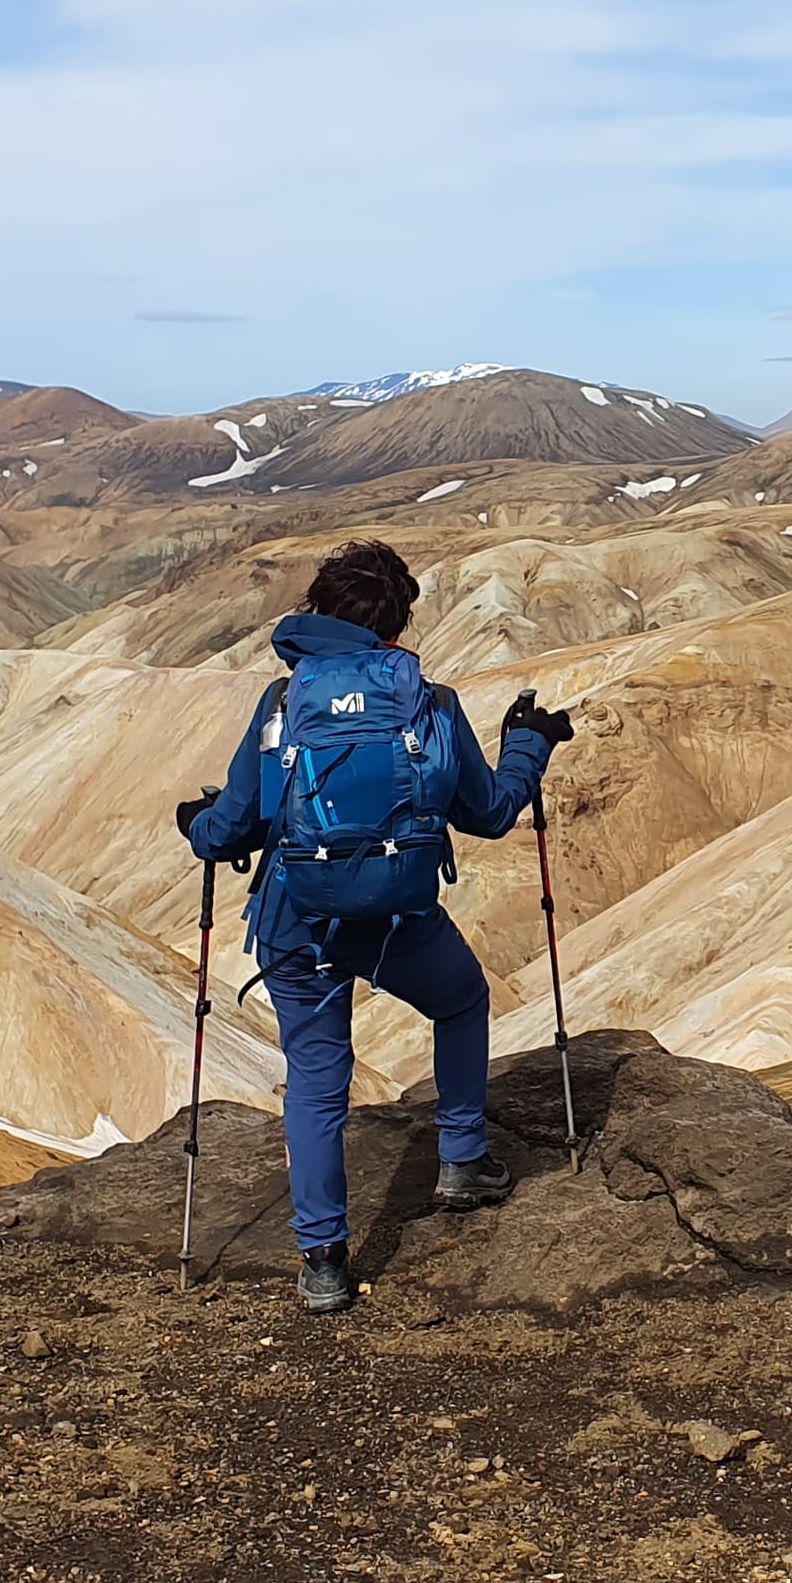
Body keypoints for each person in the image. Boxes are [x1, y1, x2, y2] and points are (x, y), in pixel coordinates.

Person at [177, 540, 575, 1314]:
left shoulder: (284, 704)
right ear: (399, 623)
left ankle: (323, 1261)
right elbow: (489, 813)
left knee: (319, 1079)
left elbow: (235, 827)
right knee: (460, 1001)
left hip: (299, 919)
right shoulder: (429, 702)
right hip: (398, 913)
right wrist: (529, 744)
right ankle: (462, 1159)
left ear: (320, 613)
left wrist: (195, 824)